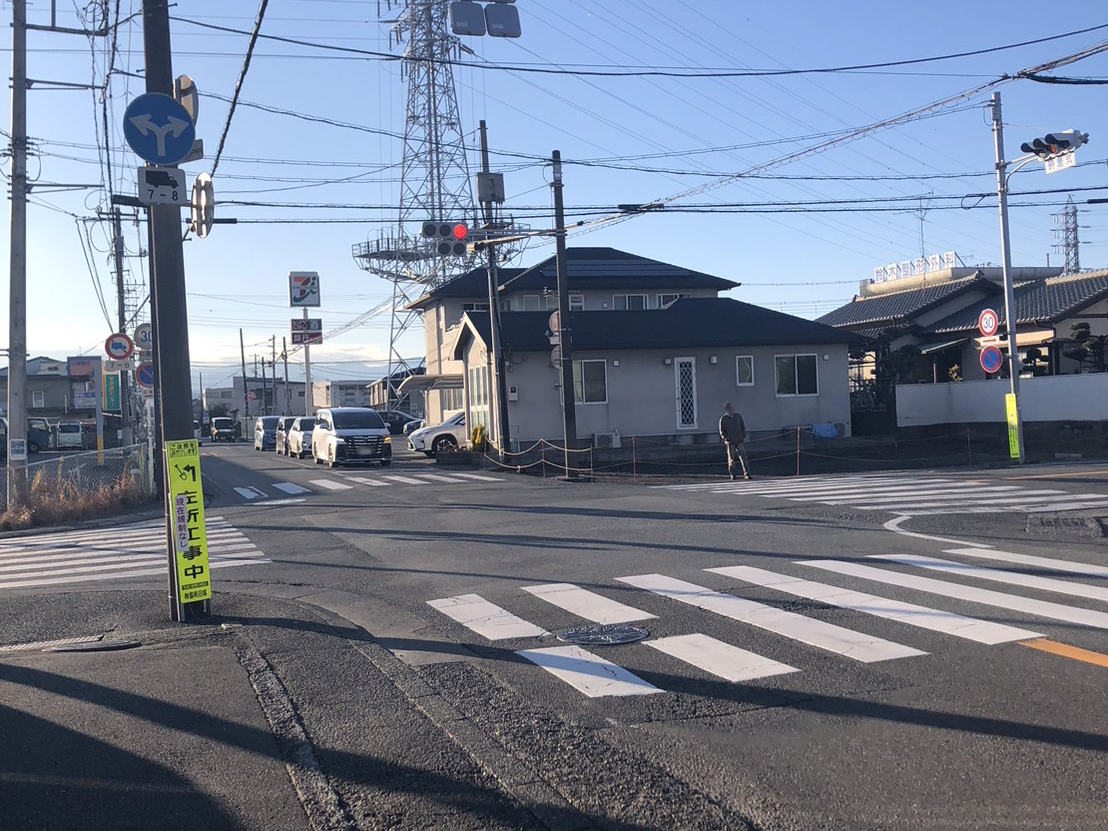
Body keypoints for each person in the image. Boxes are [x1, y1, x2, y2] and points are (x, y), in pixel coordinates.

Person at [719, 402, 751, 481]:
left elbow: (742, 426)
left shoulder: (738, 416)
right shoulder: (723, 419)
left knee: (744, 457)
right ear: (727, 409)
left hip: (739, 440)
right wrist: (726, 439)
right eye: (731, 408)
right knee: (731, 459)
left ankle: (747, 474)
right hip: (730, 442)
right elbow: (722, 431)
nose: (733, 409)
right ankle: (733, 475)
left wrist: (743, 435)